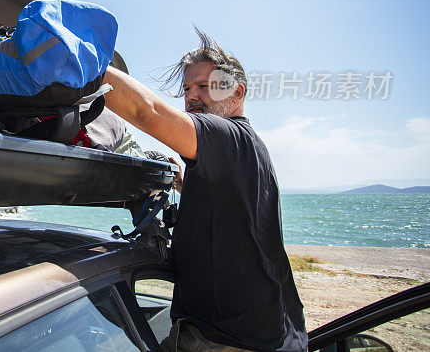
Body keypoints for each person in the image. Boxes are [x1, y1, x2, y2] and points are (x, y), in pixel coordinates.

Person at [103, 28, 307, 351]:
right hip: (255, 334)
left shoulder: (230, 138)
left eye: (206, 86)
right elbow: (235, 215)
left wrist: (82, 69)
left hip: (226, 341)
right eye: (187, 87)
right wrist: (187, 188)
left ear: (237, 94)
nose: (191, 96)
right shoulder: (246, 149)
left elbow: (148, 112)